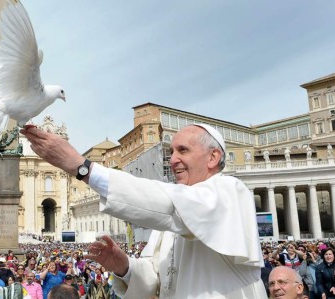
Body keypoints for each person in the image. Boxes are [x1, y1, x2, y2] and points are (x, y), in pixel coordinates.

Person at [21, 124, 267, 298]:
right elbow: (154, 279)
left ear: (213, 156)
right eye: (171, 152)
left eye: (183, 150)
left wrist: (82, 168)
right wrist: (124, 266)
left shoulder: (230, 191)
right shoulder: (173, 221)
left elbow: (167, 203)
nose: (172, 160)